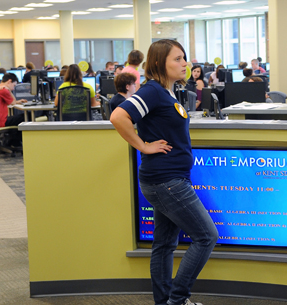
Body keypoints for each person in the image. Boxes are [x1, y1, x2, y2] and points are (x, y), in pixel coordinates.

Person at [110, 39, 217, 305]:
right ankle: (177, 299)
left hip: (166, 179)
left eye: (184, 58)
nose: (185, 64)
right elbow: (118, 117)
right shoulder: (153, 91)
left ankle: (165, 302)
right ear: (159, 63)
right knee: (206, 237)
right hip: (166, 181)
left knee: (165, 244)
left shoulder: (167, 92)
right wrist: (143, 147)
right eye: (178, 59)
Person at [0, 73, 27, 146]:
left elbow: (7, 102)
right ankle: (15, 143)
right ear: (9, 81)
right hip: (0, 122)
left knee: (17, 118)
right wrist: (9, 91)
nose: (13, 88)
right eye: (13, 85)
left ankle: (12, 141)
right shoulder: (3, 90)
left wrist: (18, 101)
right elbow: (13, 102)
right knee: (26, 117)